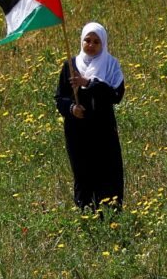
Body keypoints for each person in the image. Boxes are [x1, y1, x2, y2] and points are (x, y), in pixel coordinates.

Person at [54, 22, 126, 210]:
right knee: (83, 173)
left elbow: (116, 95)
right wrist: (72, 109)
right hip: (77, 132)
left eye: (96, 41)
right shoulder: (70, 66)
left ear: (103, 43)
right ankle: (86, 212)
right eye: (87, 40)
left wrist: (89, 83)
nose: (91, 45)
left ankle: (110, 214)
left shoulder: (111, 65)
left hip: (103, 130)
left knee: (108, 171)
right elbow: (60, 98)